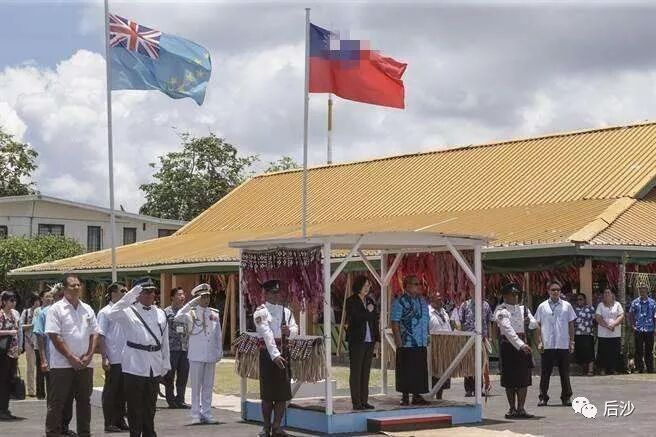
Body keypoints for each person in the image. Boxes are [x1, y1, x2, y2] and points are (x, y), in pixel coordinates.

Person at [107, 278, 171, 437]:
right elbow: (112, 314)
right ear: (138, 293)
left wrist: (166, 362)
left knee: (150, 406)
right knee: (134, 407)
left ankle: (150, 434)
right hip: (134, 365)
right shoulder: (128, 311)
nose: (150, 295)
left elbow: (164, 340)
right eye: (146, 291)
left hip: (154, 364)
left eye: (152, 291)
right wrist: (130, 295)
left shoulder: (160, 313)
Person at [45, 274, 99, 437]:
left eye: (78, 285)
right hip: (62, 365)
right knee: (57, 402)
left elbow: (94, 333)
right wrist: (71, 357)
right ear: (64, 288)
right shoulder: (56, 309)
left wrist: (89, 355)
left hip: (85, 364)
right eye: (72, 285)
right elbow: (55, 336)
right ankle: (53, 433)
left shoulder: (87, 309)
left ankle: (84, 433)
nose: (76, 287)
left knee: (84, 401)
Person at [253, 279, 298, 437]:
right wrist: (275, 355)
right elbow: (267, 334)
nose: (276, 296)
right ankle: (266, 427)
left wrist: (289, 332)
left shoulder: (286, 311)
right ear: (265, 294)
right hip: (268, 354)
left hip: (284, 352)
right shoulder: (261, 312)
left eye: (277, 293)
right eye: (272, 293)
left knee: (282, 394)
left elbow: (295, 328)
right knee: (267, 394)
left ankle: (277, 427)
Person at [174, 283, 223, 425]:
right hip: (196, 354)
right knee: (196, 386)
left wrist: (219, 351)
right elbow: (177, 317)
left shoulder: (214, 313)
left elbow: (218, 335)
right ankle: (195, 414)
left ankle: (207, 413)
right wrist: (191, 303)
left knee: (208, 386)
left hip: (210, 354)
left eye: (208, 296)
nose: (206, 299)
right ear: (197, 298)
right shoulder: (190, 312)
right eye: (203, 297)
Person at [34, 285, 76, 435]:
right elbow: (39, 336)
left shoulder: (72, 311)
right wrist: (43, 359)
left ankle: (64, 426)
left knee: (69, 396)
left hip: (70, 362)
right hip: (53, 362)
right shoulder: (45, 313)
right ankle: (54, 428)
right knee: (55, 398)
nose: (62, 298)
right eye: (59, 296)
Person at [494, 283, 538, 419]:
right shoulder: (501, 311)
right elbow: (507, 330)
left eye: (517, 294)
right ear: (505, 296)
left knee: (524, 378)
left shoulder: (523, 309)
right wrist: (520, 344)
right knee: (509, 379)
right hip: (509, 346)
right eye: (512, 295)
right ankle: (512, 408)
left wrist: (529, 322)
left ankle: (521, 408)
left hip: (523, 343)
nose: (515, 297)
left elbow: (534, 323)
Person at [390, 275, 430, 406]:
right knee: (406, 369)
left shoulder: (422, 301)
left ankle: (417, 395)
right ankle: (405, 396)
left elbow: (426, 320)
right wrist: (398, 341)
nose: (419, 287)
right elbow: (395, 322)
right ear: (407, 286)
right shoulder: (400, 301)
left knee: (419, 369)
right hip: (406, 341)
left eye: (420, 284)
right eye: (416, 284)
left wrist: (427, 335)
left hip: (421, 341)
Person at [535, 280, 576, 407]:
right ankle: (543, 397)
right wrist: (539, 342)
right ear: (548, 291)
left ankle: (566, 397)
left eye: (558, 290)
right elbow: (538, 325)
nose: (556, 292)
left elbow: (571, 324)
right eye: (553, 290)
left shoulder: (567, 306)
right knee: (545, 373)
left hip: (562, 343)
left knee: (565, 372)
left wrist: (572, 341)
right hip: (547, 344)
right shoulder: (542, 306)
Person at [97, 282, 129, 433]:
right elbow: (101, 336)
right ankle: (109, 422)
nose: (125, 293)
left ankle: (119, 420)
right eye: (122, 290)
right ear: (113, 293)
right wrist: (104, 358)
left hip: (125, 359)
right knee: (111, 392)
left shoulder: (125, 311)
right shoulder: (105, 312)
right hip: (113, 358)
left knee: (123, 392)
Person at [345, 275, 379, 410]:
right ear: (359, 286)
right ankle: (356, 402)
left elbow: (374, 320)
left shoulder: (370, 300)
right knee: (356, 371)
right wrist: (367, 312)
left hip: (369, 340)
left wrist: (377, 339)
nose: (367, 288)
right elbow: (356, 318)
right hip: (357, 340)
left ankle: (364, 400)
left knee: (366, 371)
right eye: (365, 285)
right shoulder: (351, 301)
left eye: (368, 286)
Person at [458, 293, 492, 397]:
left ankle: (478, 388)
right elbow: (461, 322)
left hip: (481, 338)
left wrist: (489, 337)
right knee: (468, 363)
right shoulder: (465, 305)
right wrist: (461, 337)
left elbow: (489, 322)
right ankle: (469, 389)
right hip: (468, 339)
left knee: (481, 364)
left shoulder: (486, 305)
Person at [163, 287, 190, 409]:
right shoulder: (166, 312)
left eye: (183, 294)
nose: (182, 297)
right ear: (172, 297)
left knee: (183, 375)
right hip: (171, 349)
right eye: (179, 294)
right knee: (169, 376)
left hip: (184, 348)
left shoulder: (187, 312)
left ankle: (180, 399)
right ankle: (171, 400)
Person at [0, 291, 22, 421]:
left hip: (13, 353)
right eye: (11, 300)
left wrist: (19, 347)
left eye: (15, 300)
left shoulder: (14, 314)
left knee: (9, 380)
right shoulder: (1, 315)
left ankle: (5, 408)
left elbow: (18, 331)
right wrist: (9, 332)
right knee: (3, 381)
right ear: (4, 301)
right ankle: (2, 409)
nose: (14, 302)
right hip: (3, 352)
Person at [627, 281, 655, 373]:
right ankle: (639, 368)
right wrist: (633, 326)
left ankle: (650, 368)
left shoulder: (652, 302)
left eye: (644, 289)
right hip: (638, 329)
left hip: (650, 329)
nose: (642, 291)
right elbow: (630, 315)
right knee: (638, 350)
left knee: (649, 350)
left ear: (647, 290)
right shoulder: (635, 302)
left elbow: (655, 316)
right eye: (640, 289)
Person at [428, 292, 451, 400]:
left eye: (441, 299)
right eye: (438, 299)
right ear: (431, 300)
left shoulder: (444, 312)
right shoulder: (428, 313)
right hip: (433, 346)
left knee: (443, 372)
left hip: (445, 346)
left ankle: (440, 397)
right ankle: (431, 396)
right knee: (434, 372)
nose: (440, 301)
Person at [595, 288, 624, 376]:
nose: (606, 294)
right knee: (603, 352)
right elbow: (598, 317)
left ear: (612, 295)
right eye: (605, 293)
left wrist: (613, 324)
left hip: (615, 334)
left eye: (608, 292)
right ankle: (602, 369)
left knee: (614, 352)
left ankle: (614, 369)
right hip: (603, 334)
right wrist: (607, 326)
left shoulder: (617, 304)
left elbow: (621, 316)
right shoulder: (600, 305)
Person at [20, 292, 40, 398]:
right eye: (36, 300)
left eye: (39, 300)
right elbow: (21, 326)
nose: (38, 302)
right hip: (29, 342)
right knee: (31, 367)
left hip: (40, 342)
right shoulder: (26, 312)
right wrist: (32, 325)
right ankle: (31, 390)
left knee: (41, 367)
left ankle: (41, 389)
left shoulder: (41, 311)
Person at [573, 293, 596, 376]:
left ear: (585, 300)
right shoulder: (574, 309)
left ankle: (590, 370)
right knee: (580, 352)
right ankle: (584, 369)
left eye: (581, 299)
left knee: (589, 352)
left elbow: (595, 320)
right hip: (577, 334)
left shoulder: (590, 308)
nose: (579, 301)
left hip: (588, 334)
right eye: (577, 299)